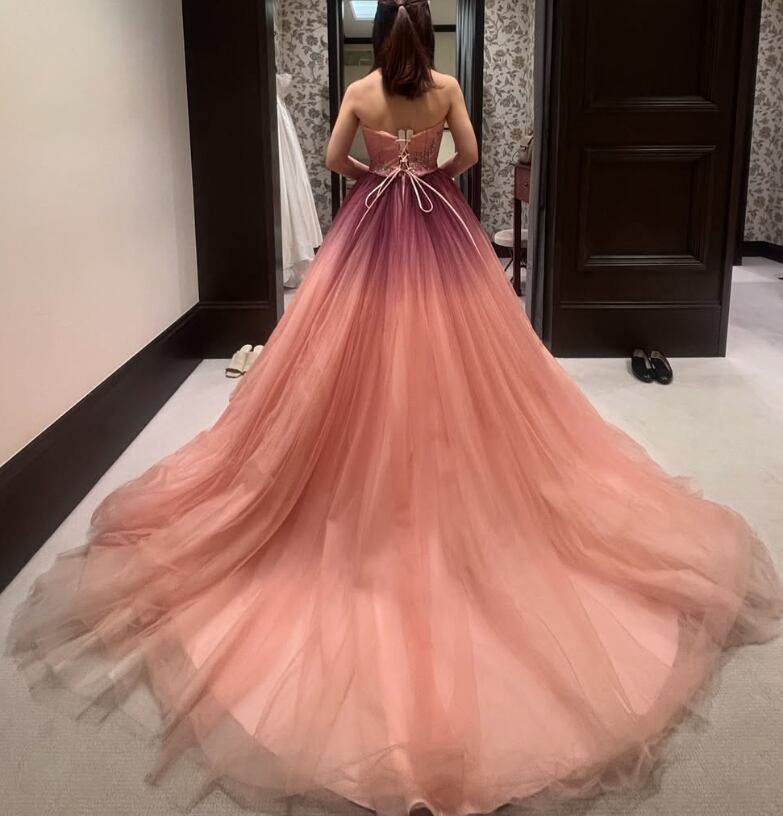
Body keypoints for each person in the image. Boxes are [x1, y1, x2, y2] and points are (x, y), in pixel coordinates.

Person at [8, 2, 782, 815]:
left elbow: (332, 159)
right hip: (440, 224)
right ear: (427, 40)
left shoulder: (359, 90)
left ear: (381, 39)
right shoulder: (444, 88)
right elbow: (471, 156)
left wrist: (378, 175)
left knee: (351, 339)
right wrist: (430, 172)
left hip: (371, 224)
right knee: (459, 342)